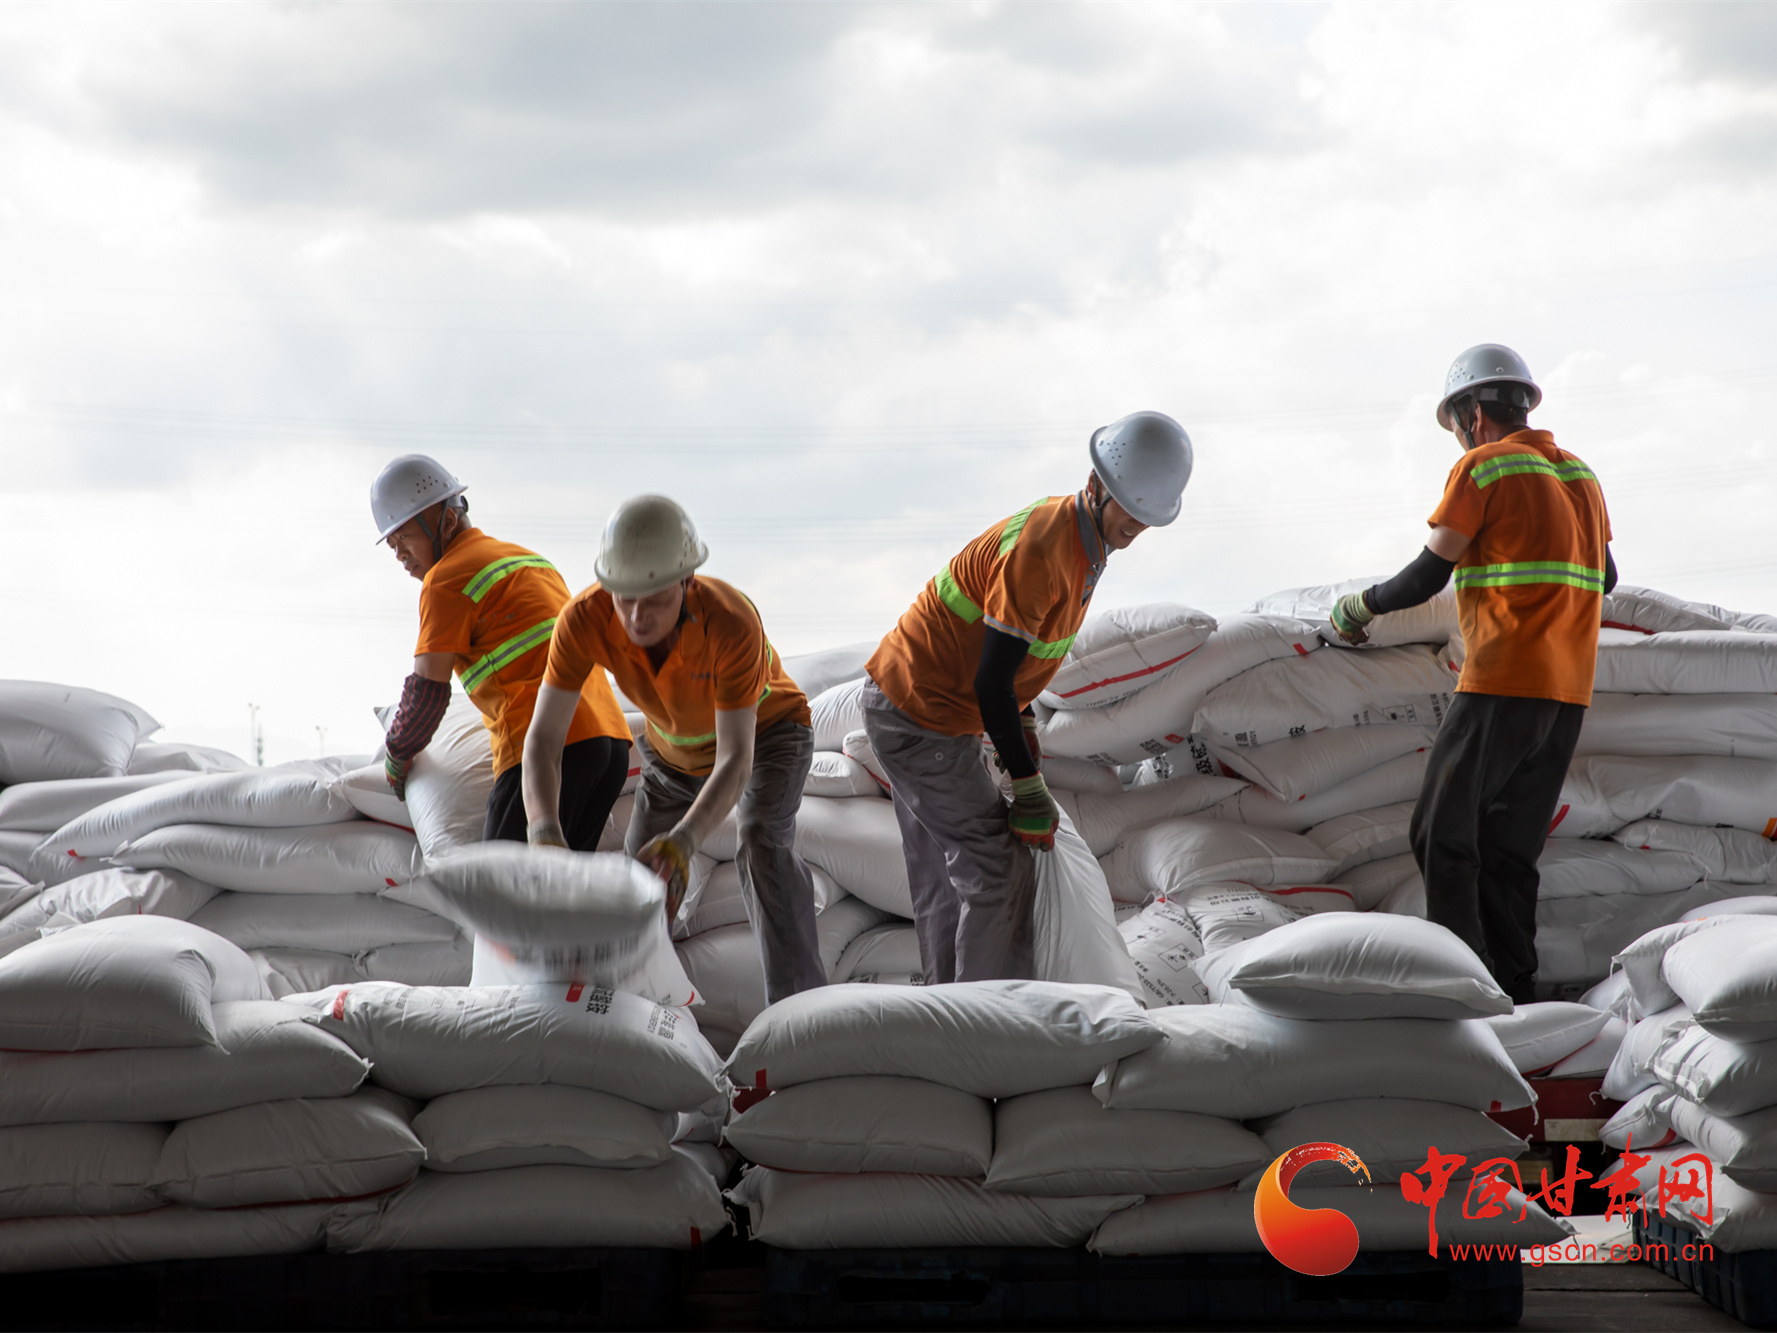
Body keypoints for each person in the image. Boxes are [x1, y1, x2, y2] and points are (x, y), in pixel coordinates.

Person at [861, 412, 1194, 983]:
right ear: (1095, 486)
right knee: (998, 866)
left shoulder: (1083, 543)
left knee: (944, 875)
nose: (1137, 525)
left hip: (920, 705)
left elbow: (1012, 661)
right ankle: (991, 1017)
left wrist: (1025, 720)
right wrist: (1027, 784)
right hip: (920, 715)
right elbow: (990, 682)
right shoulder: (1044, 550)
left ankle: (949, 1006)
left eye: (1147, 516)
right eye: (1128, 508)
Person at [1328, 344, 1616, 1003]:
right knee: (1509, 851)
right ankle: (1515, 988)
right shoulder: (1581, 474)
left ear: (1471, 414)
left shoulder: (1482, 467)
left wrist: (1359, 607)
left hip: (1501, 679)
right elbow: (1605, 576)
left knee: (1440, 831)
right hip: (1567, 692)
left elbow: (1426, 574)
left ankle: (1461, 987)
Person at [523, 495, 825, 1003]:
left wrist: (684, 841)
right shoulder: (582, 618)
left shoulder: (730, 621)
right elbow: (543, 739)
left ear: (687, 582)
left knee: (761, 841)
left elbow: (736, 758)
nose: (637, 615)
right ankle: (636, 1012)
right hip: (672, 756)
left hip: (769, 736)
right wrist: (544, 834)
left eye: (656, 599)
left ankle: (803, 1013)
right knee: (638, 885)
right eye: (624, 598)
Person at [371, 454, 631, 849]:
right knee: (561, 885)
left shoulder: (445, 579)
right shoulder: (529, 560)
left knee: (498, 883)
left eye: (405, 537)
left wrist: (397, 753)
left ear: (447, 520)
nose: (400, 554)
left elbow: (427, 693)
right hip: (608, 744)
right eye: (392, 545)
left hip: (546, 749)